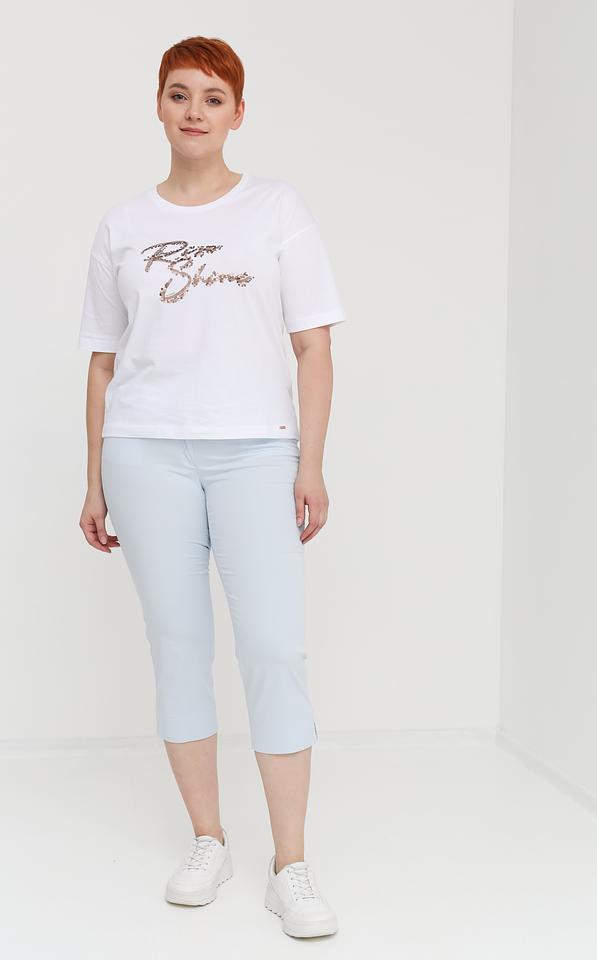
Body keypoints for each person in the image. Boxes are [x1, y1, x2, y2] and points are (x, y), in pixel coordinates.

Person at [77, 35, 345, 939]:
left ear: (237, 113)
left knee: (273, 649)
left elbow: (313, 346)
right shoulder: (122, 225)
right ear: (158, 104)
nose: (195, 110)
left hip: (255, 453)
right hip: (143, 453)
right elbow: (102, 361)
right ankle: (208, 839)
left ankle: (290, 864)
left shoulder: (275, 210)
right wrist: (93, 480)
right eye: (180, 93)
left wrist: (309, 462)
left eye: (214, 97)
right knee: (180, 647)